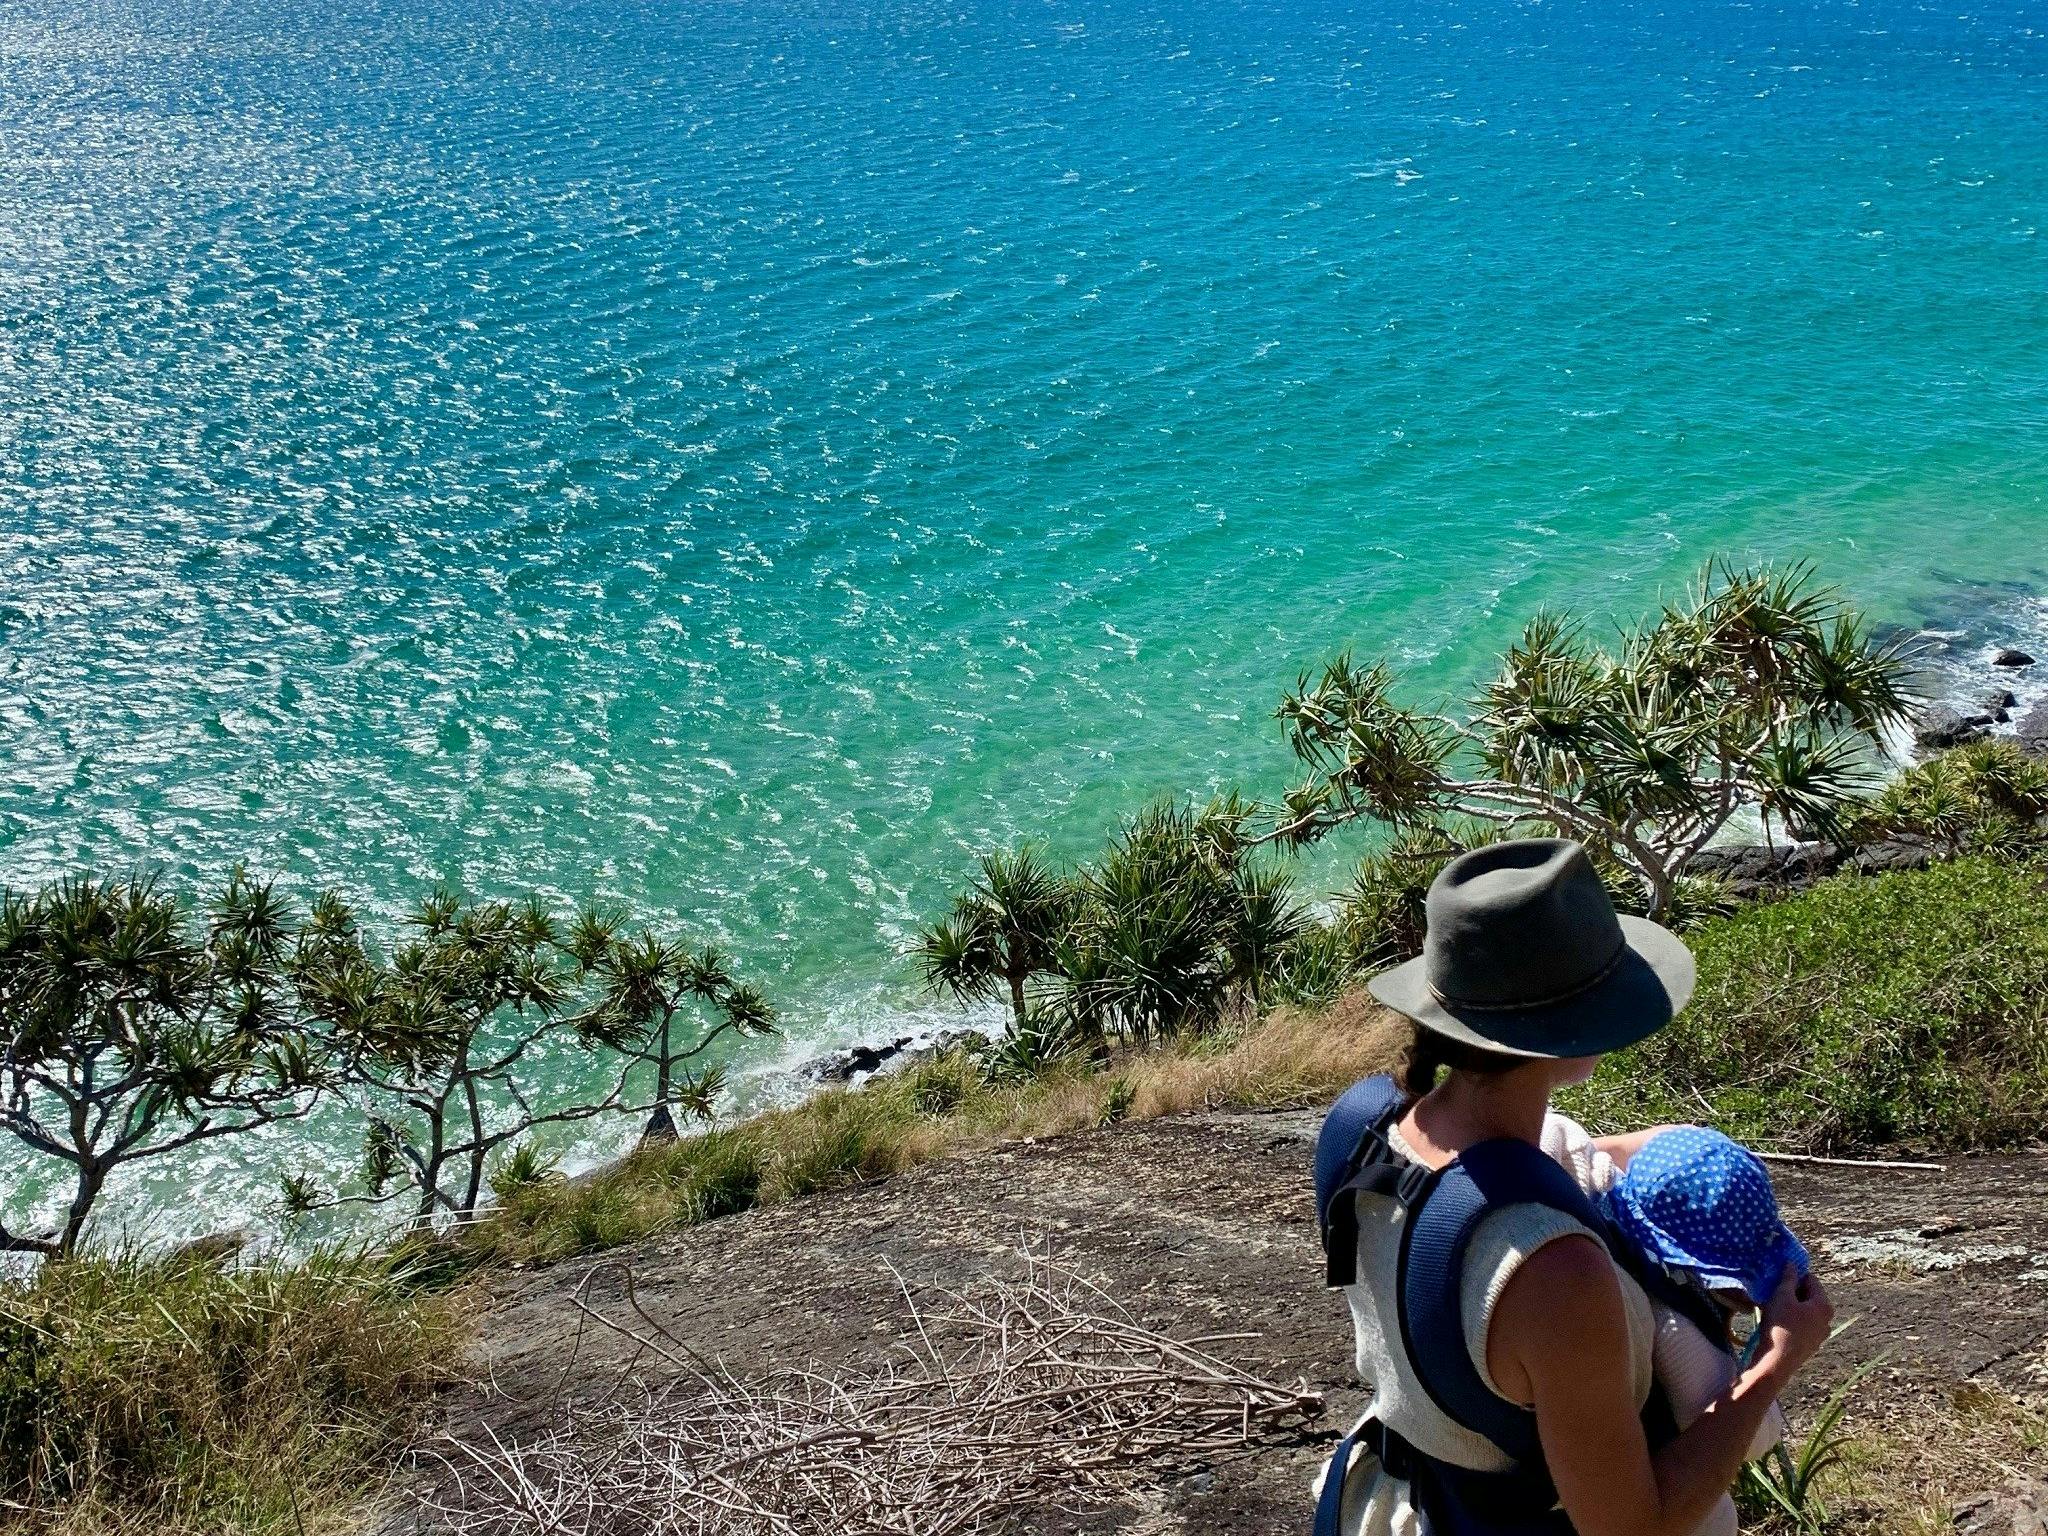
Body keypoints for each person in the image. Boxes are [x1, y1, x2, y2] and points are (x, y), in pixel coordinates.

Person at [1315, 838, 1834, 1536]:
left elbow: (1495, 1174)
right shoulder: (1555, 1272)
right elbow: (1631, 1528)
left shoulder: (1359, 1131)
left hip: (1404, 1497)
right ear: (1575, 1031)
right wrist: (1776, 1358)